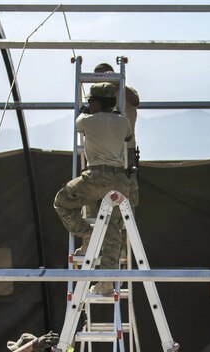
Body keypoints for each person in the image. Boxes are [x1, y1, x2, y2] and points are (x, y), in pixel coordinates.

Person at [53, 81, 133, 296]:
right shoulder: (122, 121)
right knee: (113, 229)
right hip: (121, 180)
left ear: (95, 103)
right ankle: (107, 283)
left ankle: (86, 235)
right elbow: (127, 137)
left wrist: (86, 110)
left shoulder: (87, 120)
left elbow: (79, 122)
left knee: (62, 202)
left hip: (97, 176)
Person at [93, 62, 141, 207]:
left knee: (128, 196)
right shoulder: (97, 95)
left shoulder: (126, 92)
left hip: (126, 151)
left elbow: (135, 101)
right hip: (103, 153)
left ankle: (126, 228)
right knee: (102, 198)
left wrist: (118, 82)